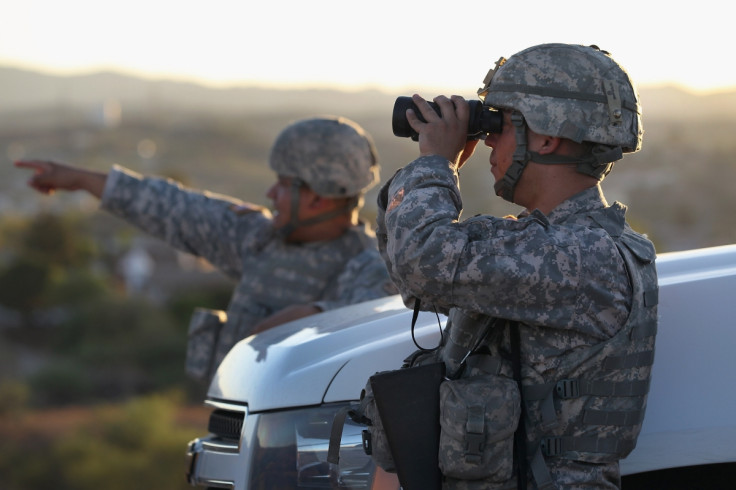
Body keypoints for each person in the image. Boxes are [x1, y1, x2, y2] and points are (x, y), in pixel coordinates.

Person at [375, 44, 658, 489]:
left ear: (547, 137)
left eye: (500, 123)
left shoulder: (585, 258)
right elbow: (414, 276)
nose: (487, 138)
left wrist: (436, 164)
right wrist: (428, 173)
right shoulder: (533, 242)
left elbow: (424, 263)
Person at [16, 115, 397, 382]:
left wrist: (313, 317)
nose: (270, 194)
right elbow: (175, 207)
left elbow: (374, 324)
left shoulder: (372, 266)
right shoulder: (260, 239)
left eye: (283, 184)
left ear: (316, 197)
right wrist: (81, 179)